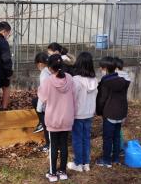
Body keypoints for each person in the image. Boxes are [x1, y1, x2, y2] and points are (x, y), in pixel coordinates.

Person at [38, 54, 75, 182]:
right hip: (67, 117)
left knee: (53, 146)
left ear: (50, 68)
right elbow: (74, 94)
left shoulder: (48, 81)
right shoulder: (70, 78)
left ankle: (53, 173)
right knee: (64, 145)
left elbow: (41, 97)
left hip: (53, 118)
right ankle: (63, 172)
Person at [95, 56, 130, 168]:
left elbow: (101, 99)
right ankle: (115, 158)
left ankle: (106, 160)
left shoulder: (105, 83)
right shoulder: (123, 81)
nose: (101, 69)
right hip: (120, 113)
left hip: (109, 113)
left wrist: (99, 111)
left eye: (101, 67)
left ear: (105, 68)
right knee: (116, 136)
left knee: (107, 137)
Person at [67, 52, 98, 172]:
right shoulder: (94, 80)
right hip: (89, 113)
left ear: (78, 63)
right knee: (86, 138)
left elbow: (72, 98)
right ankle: (86, 163)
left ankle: (78, 163)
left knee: (77, 139)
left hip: (78, 114)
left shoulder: (75, 80)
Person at [32, 52, 50, 152]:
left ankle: (49, 144)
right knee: (35, 100)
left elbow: (43, 92)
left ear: (40, 64)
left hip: (48, 103)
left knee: (45, 123)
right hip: (58, 102)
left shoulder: (44, 73)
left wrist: (39, 109)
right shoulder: (53, 70)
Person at [113, 57, 131, 152]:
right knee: (118, 128)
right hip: (123, 105)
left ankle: (115, 148)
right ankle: (119, 147)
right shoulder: (126, 77)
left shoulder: (114, 78)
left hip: (113, 108)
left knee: (112, 130)